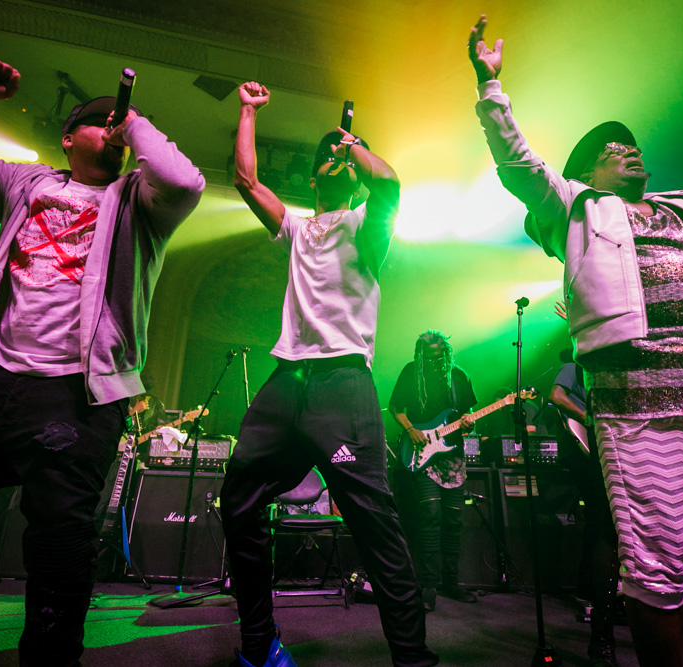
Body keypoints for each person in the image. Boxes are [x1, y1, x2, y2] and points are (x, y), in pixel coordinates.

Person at [469, 14, 683, 666]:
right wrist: (491, 88)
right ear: (586, 171)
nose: (628, 150)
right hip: (644, 401)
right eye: (612, 149)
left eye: (631, 144)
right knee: (658, 568)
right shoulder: (575, 209)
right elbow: (519, 165)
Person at [0, 55, 204, 665]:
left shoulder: (142, 201)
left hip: (77, 394)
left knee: (61, 546)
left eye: (123, 122)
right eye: (102, 121)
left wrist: (133, 125)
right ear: (68, 137)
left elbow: (185, 181)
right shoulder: (24, 184)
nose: (114, 128)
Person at [219, 81, 437, 667]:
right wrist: (247, 111)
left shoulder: (367, 224)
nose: (337, 159)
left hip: (343, 384)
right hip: (288, 379)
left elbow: (390, 183)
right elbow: (246, 181)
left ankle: (412, 659)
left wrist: (354, 145)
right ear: (312, 178)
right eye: (327, 156)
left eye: (344, 156)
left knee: (374, 524)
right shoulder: (296, 227)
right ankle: (259, 645)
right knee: (237, 500)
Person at [389, 331, 478, 612]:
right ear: (421, 354)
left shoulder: (458, 375)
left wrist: (469, 423)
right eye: (429, 357)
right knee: (429, 517)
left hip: (453, 456)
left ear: (446, 352)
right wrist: (411, 429)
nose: (434, 361)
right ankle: (428, 585)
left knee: (453, 521)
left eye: (439, 356)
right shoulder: (411, 372)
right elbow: (395, 407)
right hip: (423, 455)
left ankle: (451, 582)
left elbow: (467, 414)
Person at [548, 348, 620, 667]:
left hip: (611, 442)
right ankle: (597, 614)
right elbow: (556, 396)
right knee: (601, 520)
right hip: (584, 447)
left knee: (601, 522)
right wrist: (586, 418)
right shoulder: (571, 367)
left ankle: (588, 587)